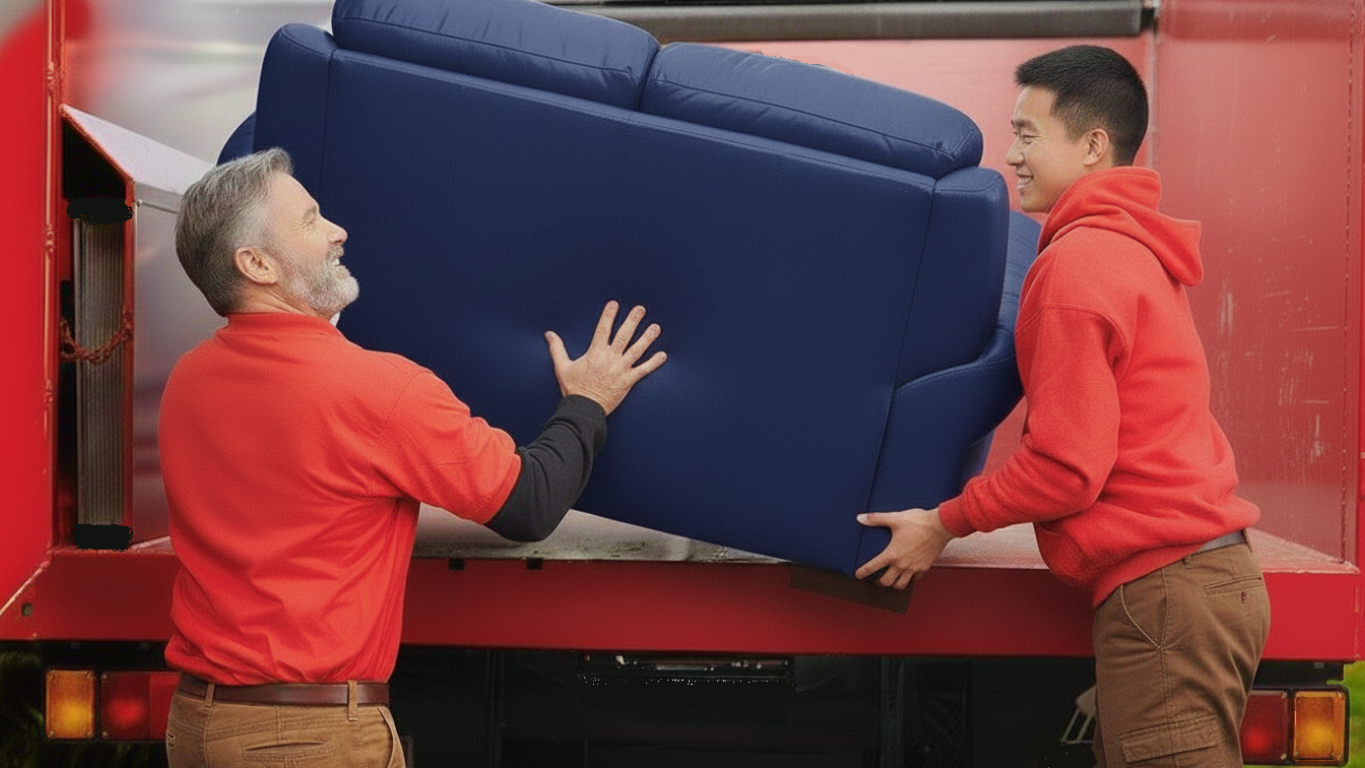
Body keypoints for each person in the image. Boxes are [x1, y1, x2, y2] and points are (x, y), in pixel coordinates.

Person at [160, 147, 666, 767]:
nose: (338, 231)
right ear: (258, 263)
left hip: (198, 725)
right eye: (311, 219)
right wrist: (588, 400)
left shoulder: (189, 380)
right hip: (305, 740)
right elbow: (528, 504)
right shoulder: (374, 390)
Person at [855, 45, 1270, 767]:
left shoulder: (1078, 267)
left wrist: (943, 524)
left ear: (1092, 146)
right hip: (1191, 591)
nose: (1011, 153)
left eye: (1026, 133)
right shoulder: (1128, 251)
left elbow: (1065, 468)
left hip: (1165, 598)